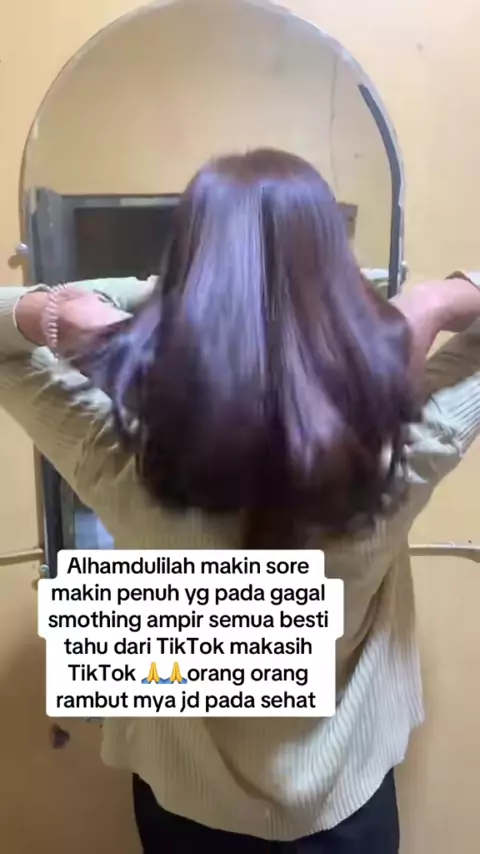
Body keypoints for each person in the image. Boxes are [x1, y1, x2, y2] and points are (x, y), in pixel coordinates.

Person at [1, 148, 480, 853]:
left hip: (185, 813)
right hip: (343, 812)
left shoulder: (119, 453)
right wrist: (432, 302)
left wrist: (74, 309)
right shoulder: (398, 453)